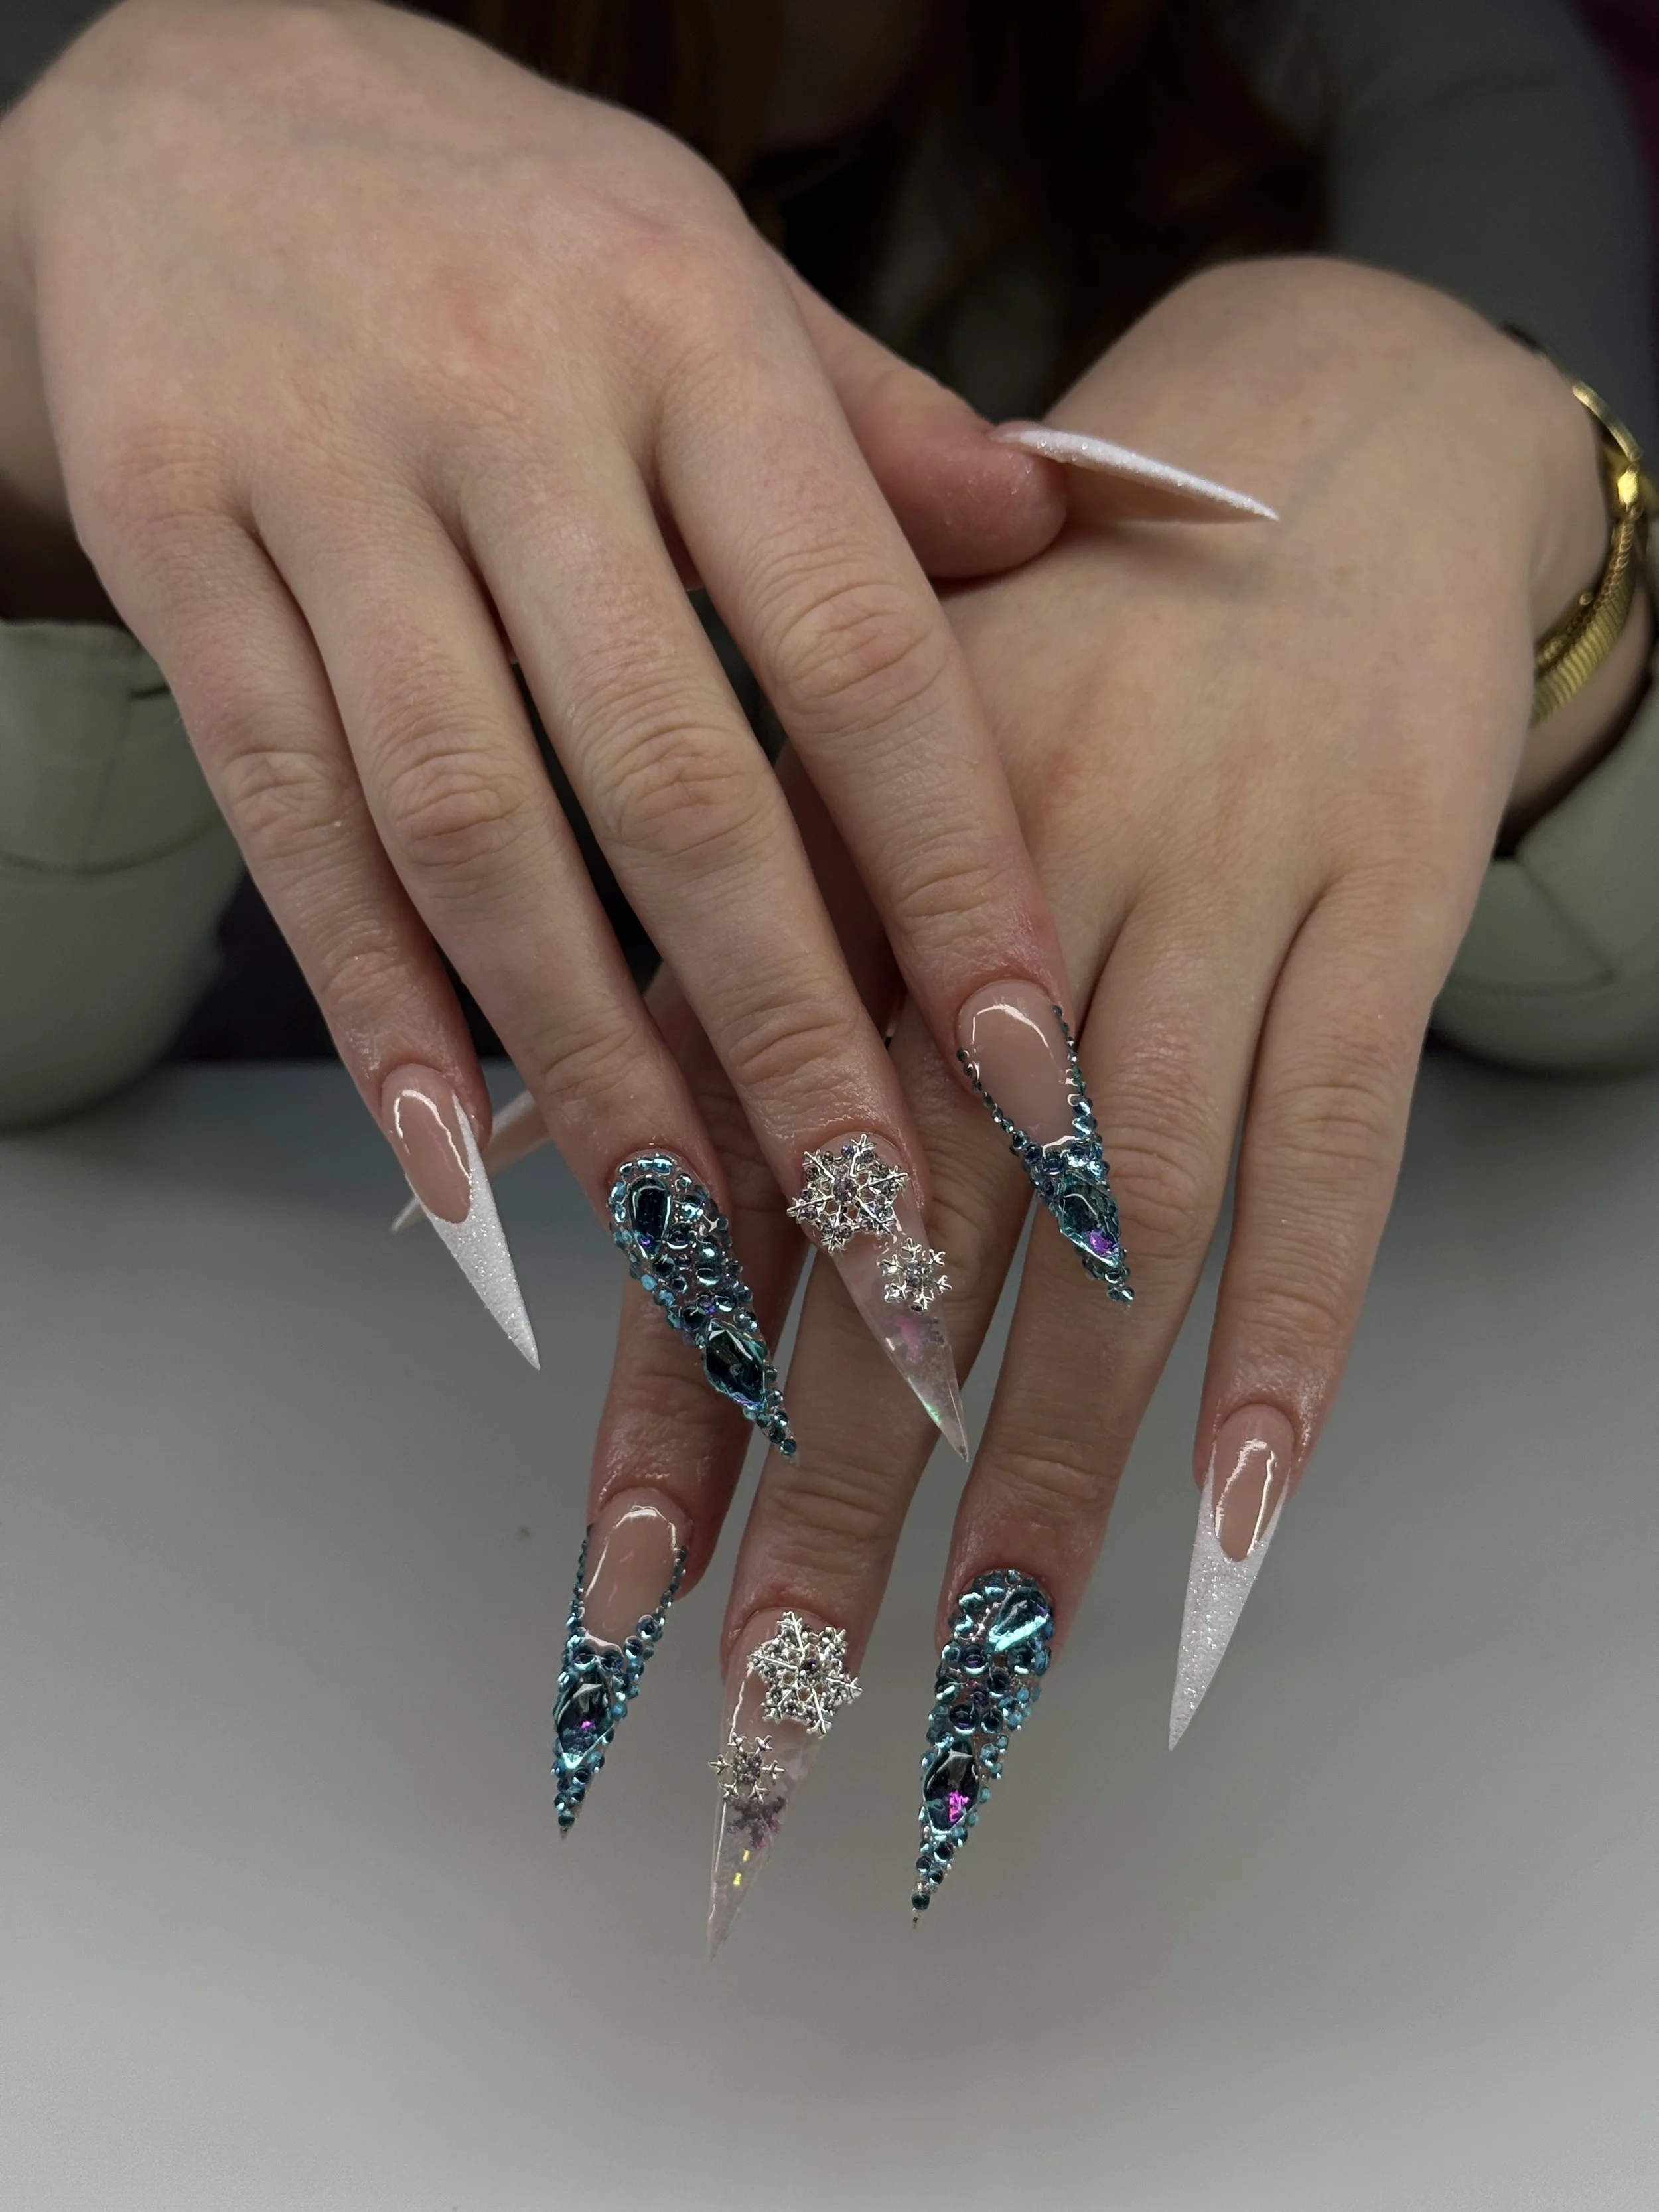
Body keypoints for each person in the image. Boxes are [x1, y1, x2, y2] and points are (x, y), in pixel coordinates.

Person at [1, 0, 1654, 1933]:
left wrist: (1513, 522)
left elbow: (1597, 1022)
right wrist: (41, 397)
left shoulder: (1401, 59)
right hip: (183, 1653)